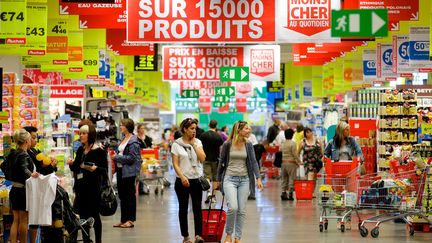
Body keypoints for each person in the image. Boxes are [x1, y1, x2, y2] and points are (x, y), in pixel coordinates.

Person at [217, 121, 264, 243]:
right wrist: (217, 180)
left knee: (241, 210)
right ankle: (228, 234)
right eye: (247, 129)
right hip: (229, 179)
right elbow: (221, 162)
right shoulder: (227, 144)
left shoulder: (248, 145)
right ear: (239, 130)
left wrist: (258, 178)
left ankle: (237, 237)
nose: (250, 131)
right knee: (233, 207)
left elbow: (253, 162)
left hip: (244, 180)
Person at [67, 124, 108, 243]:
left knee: (94, 215)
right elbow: (75, 168)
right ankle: (86, 239)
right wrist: (71, 164)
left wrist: (95, 169)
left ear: (90, 135)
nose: (81, 135)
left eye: (84, 133)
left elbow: (104, 170)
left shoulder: (99, 151)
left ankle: (98, 240)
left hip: (93, 188)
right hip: (80, 188)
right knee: (83, 216)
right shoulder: (80, 150)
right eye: (80, 133)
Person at [171, 118, 206, 243]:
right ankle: (185, 237)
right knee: (183, 208)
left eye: (195, 128)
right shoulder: (176, 144)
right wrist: (182, 176)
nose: (194, 131)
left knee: (197, 208)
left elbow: (202, 158)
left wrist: (194, 145)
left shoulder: (198, 142)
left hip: (196, 180)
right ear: (185, 129)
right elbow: (175, 164)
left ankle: (198, 235)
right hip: (182, 181)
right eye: (191, 128)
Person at [23, 126, 58, 243]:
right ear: (26, 138)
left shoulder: (35, 151)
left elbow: (43, 167)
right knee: (29, 218)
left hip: (38, 187)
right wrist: (50, 167)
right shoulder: (25, 154)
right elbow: (39, 170)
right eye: (33, 138)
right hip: (30, 188)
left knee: (36, 216)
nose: (35, 140)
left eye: (36, 138)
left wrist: (51, 165)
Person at [9, 129, 39, 243]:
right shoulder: (23, 154)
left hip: (14, 189)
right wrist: (32, 174)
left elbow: (3, 166)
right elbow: (24, 168)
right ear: (26, 141)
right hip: (22, 191)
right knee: (23, 220)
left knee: (15, 220)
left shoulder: (13, 153)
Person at [112, 118, 142, 228]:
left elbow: (132, 158)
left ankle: (130, 220)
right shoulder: (124, 139)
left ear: (127, 127)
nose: (120, 127)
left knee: (129, 196)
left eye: (122, 125)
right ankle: (123, 219)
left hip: (129, 172)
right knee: (122, 196)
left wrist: (117, 157)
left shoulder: (133, 141)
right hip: (121, 170)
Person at [199, 119, 224, 204]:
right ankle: (213, 197)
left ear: (209, 125)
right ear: (216, 126)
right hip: (215, 160)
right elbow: (221, 149)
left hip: (205, 159)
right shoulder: (218, 136)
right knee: (215, 178)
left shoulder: (203, 135)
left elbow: (200, 147)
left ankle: (208, 193)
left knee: (207, 176)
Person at [280, 129, 301, 201]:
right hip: (291, 163)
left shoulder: (283, 143)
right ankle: (290, 194)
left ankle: (283, 193)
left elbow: (280, 151)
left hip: (283, 163)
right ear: (292, 135)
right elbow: (295, 154)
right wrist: (299, 161)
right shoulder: (293, 143)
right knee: (292, 178)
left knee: (284, 178)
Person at [137, 123, 153, 195]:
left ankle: (141, 188)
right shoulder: (136, 138)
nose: (143, 130)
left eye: (144, 128)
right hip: (138, 158)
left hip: (146, 158)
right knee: (139, 173)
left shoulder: (147, 138)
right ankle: (139, 188)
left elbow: (151, 147)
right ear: (138, 129)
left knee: (143, 173)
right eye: (141, 128)